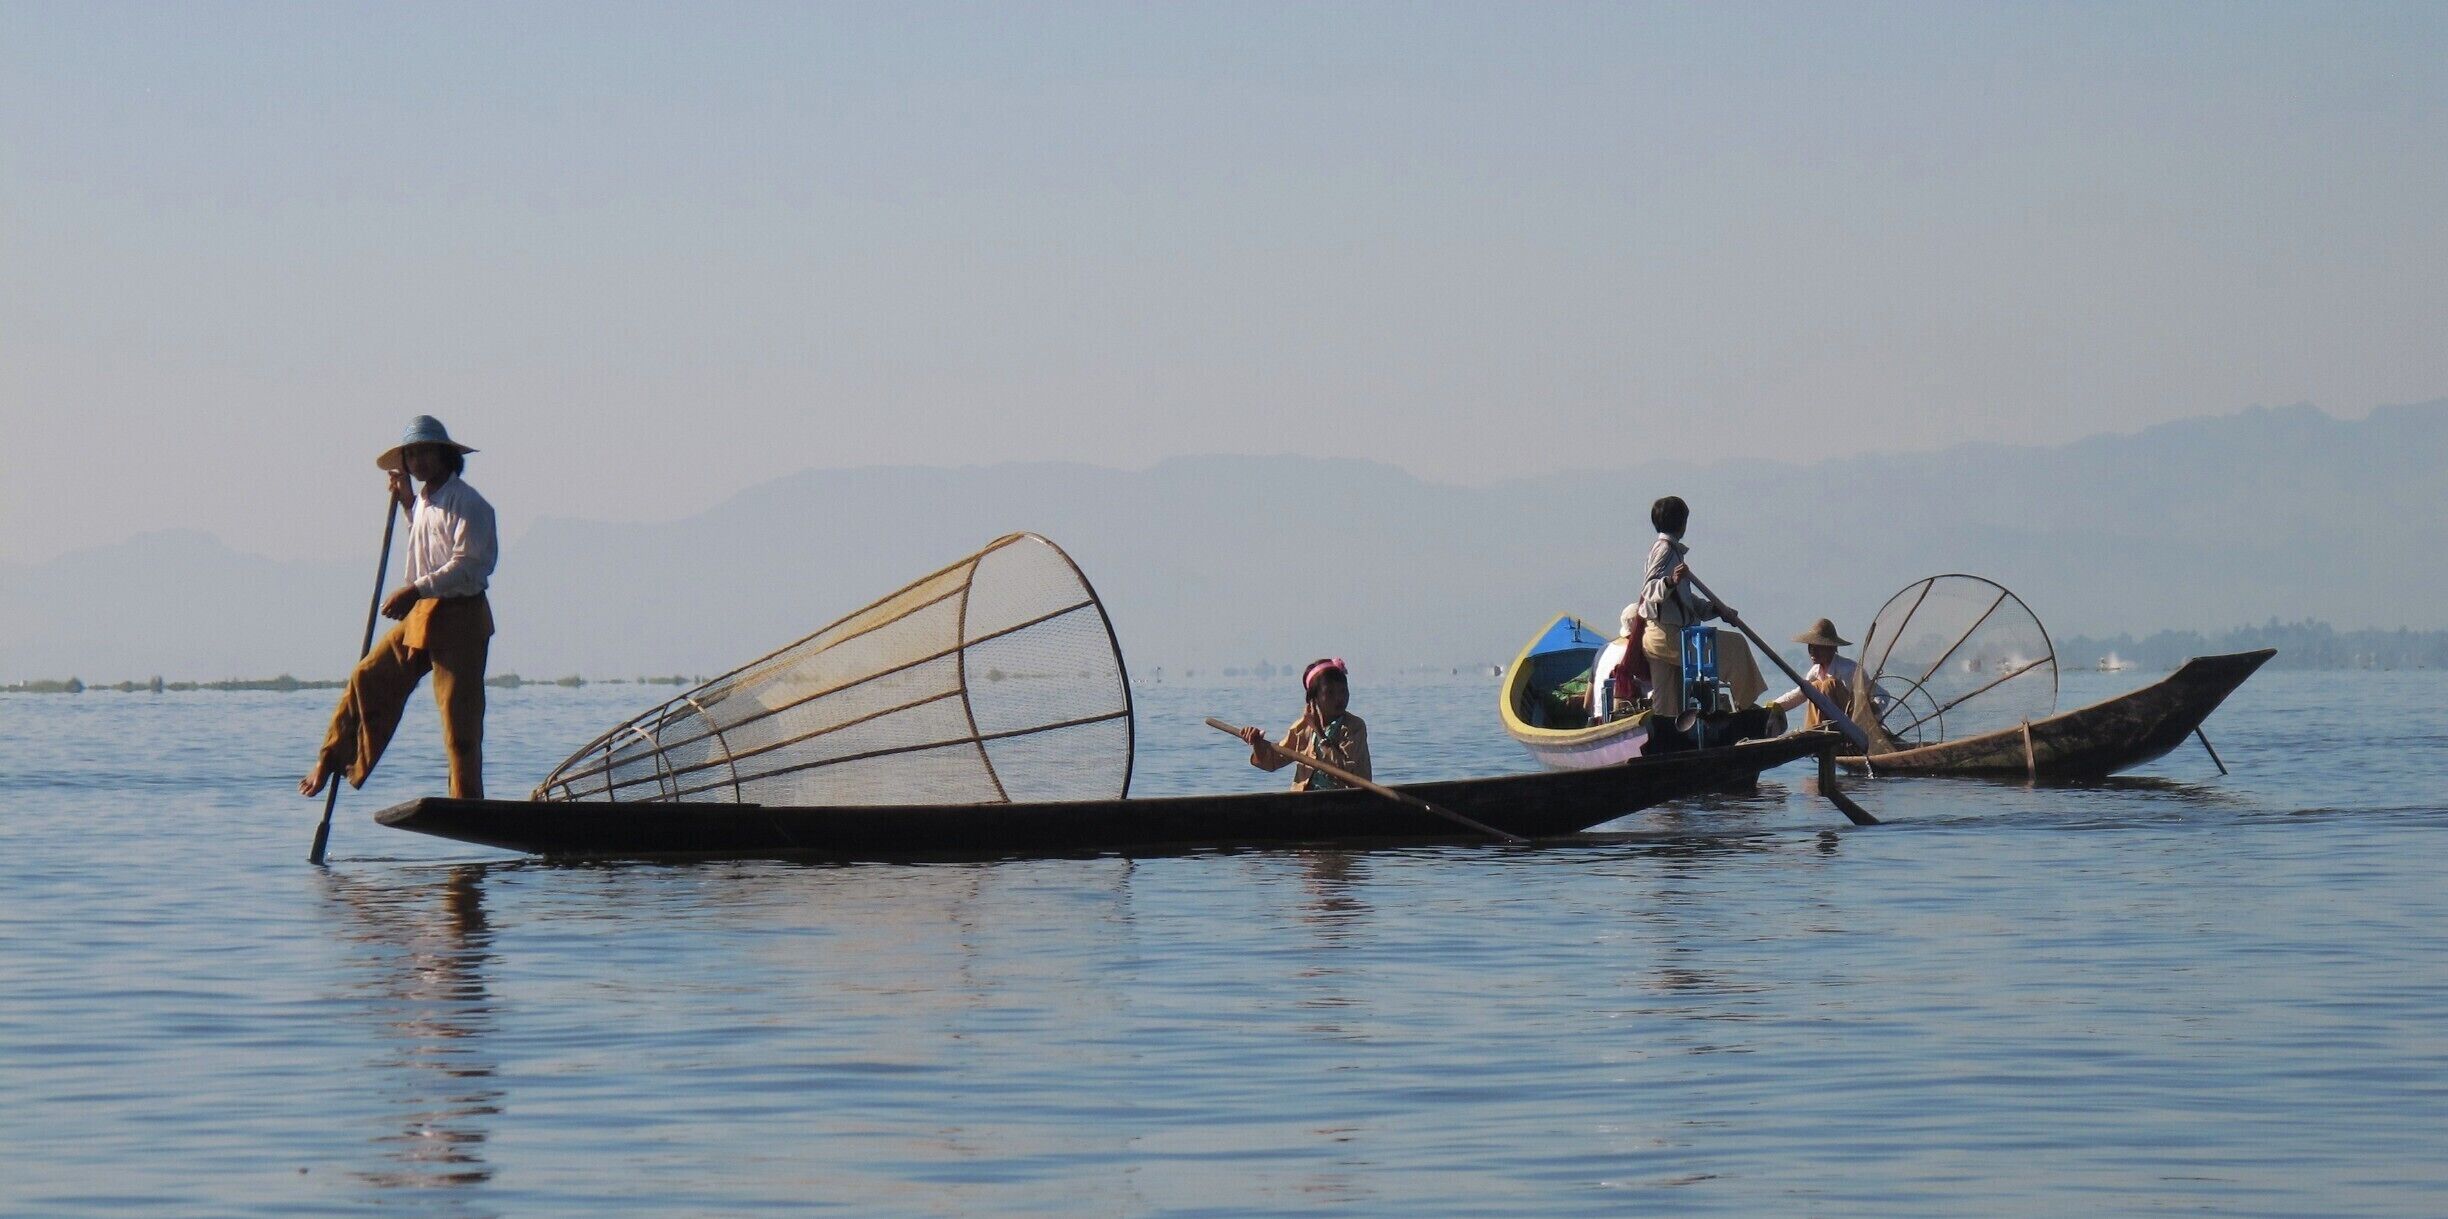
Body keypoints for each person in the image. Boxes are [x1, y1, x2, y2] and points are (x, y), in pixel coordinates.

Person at [300, 416, 499, 801]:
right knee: (367, 678)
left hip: (461, 617)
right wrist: (408, 503)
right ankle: (332, 758)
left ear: (445, 456)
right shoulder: (424, 501)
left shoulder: (470, 504)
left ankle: (466, 802)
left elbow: (469, 564)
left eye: (425, 452)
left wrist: (414, 590)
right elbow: (426, 544)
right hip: (423, 613)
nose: (418, 461)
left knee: (460, 725)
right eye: (411, 455)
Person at [1635, 495, 1740, 736]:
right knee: (1738, 649)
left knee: (1668, 705)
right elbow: (1649, 589)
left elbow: (1685, 601)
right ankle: (1745, 709)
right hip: (1667, 638)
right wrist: (1670, 581)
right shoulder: (1665, 550)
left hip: (1664, 637)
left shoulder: (1670, 552)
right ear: (1682, 523)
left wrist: (1716, 610)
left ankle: (1669, 743)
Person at [1240, 658, 1373, 792]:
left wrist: (1320, 734)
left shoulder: (1354, 727)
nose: (1339, 698)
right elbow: (1271, 762)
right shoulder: (1302, 728)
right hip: (1305, 801)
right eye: (1330, 692)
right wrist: (1257, 743)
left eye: (1343, 691)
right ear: (1313, 698)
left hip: (1344, 801)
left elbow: (1346, 772)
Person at [1764, 617, 1878, 731]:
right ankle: (1813, 732)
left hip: (1852, 725)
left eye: (1818, 648)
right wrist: (1773, 706)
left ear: (1831, 649)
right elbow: (1799, 694)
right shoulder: (1815, 671)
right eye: (1811, 648)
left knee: (1829, 684)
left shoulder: (1849, 669)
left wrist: (1870, 712)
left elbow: (1880, 696)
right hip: (1826, 727)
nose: (1813, 652)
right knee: (1814, 687)